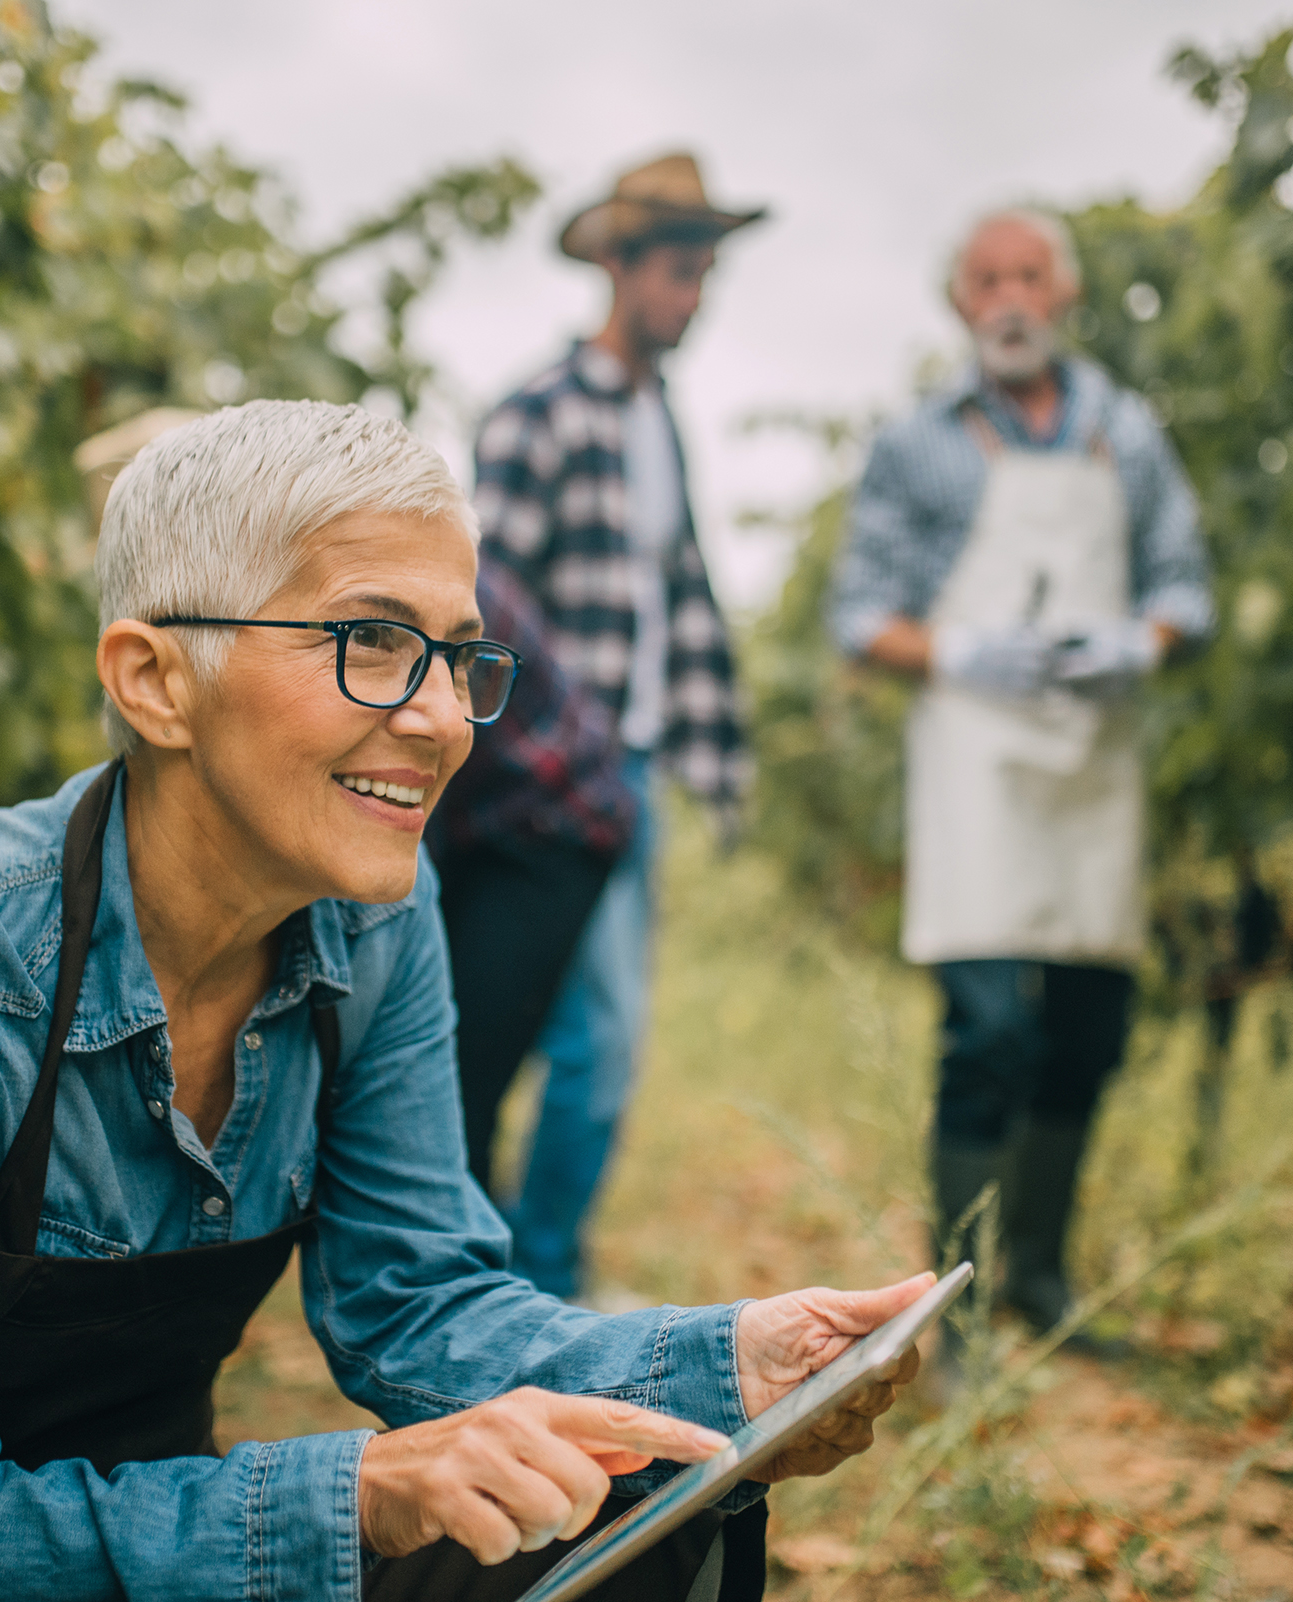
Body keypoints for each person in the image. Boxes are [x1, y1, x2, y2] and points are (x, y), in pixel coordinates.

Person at [0, 400, 934, 1602]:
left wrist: (733, 1369)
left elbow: (415, 1300)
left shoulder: (380, 920)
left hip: (140, 1552)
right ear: (156, 681)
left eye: (457, 657)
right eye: (373, 643)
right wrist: (362, 1493)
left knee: (633, 1496)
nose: (442, 719)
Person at [826, 210, 1213, 1350]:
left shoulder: (1127, 435)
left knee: (1090, 1023)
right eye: (986, 278)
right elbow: (860, 616)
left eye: (1028, 276)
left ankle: (1039, 1280)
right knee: (989, 1027)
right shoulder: (919, 444)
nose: (1009, 298)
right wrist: (958, 651)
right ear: (959, 303)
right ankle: (955, 1308)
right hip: (978, 760)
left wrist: (1144, 642)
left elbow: (1185, 585)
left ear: (1064, 292)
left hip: (1093, 761)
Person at [472, 152, 761, 1300]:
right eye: (678, 274)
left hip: (632, 771)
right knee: (581, 1040)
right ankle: (531, 1282)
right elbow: (487, 600)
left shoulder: (660, 426)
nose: (691, 299)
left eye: (704, 277)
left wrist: (715, 754)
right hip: (550, 783)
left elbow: (679, 600)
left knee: (592, 1042)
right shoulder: (537, 415)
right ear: (620, 266)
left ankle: (526, 1268)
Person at [427, 555, 638, 1195]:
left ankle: (465, 1277)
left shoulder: (433, 579)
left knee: (459, 1082)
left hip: (555, 822)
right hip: (478, 816)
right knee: (441, 1072)